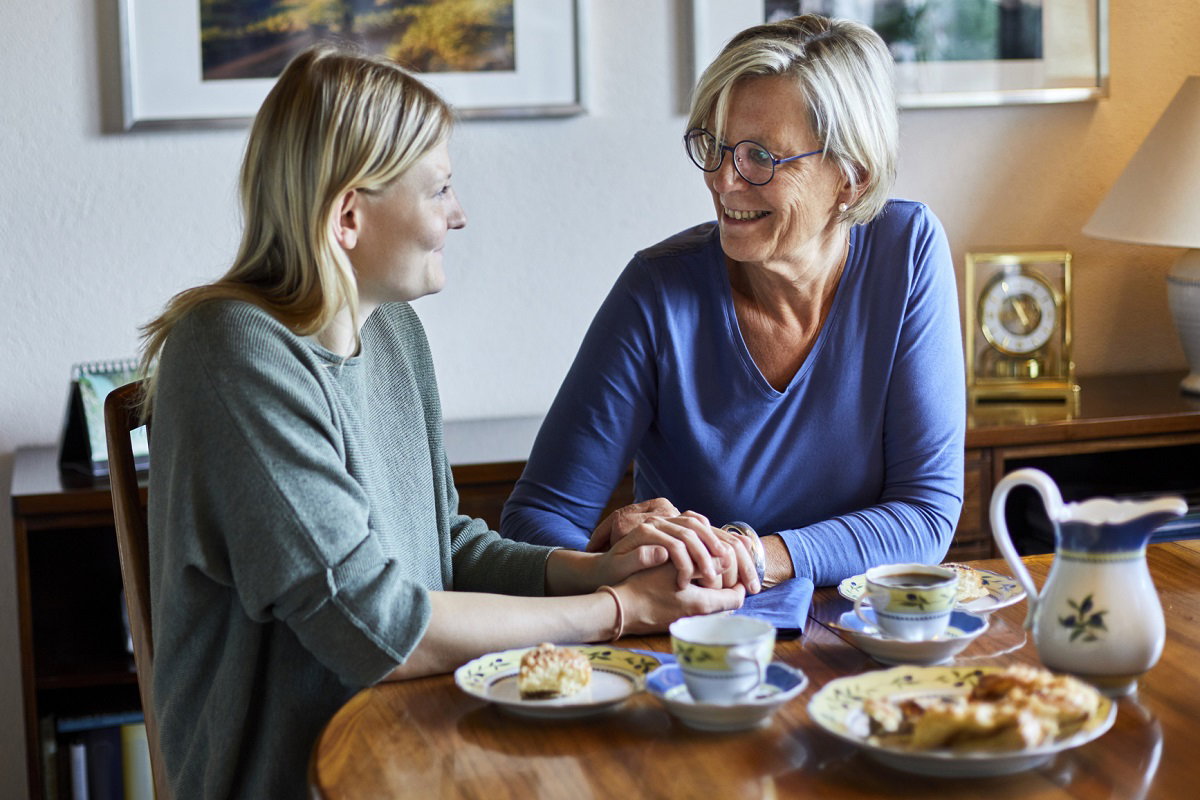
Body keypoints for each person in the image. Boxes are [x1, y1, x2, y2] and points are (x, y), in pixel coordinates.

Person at [137, 45, 747, 800]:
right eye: (441, 190)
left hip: (419, 747)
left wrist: (599, 569)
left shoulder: (391, 331)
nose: (458, 216)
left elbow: (443, 544)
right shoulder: (233, 352)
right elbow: (375, 629)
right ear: (349, 216)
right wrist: (619, 610)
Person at [501, 15, 965, 590]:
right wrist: (613, 563)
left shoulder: (909, 250)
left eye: (760, 158)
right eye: (715, 149)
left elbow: (926, 513)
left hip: (859, 637)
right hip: (699, 647)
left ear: (852, 180)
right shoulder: (657, 291)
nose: (723, 181)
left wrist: (752, 556)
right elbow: (534, 521)